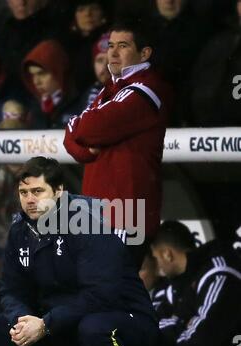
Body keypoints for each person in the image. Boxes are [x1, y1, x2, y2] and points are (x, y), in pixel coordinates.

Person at [0, 156, 160, 346]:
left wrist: (46, 324)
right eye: (23, 192)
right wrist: (23, 319)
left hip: (126, 322)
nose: (29, 199)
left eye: (37, 191)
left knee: (94, 326)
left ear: (59, 192)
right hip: (65, 326)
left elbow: (102, 295)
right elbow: (11, 288)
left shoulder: (88, 223)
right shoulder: (20, 230)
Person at [64, 20, 172, 269]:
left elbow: (86, 128)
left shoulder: (146, 91)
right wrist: (83, 146)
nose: (112, 52)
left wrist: (81, 135)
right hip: (100, 217)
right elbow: (71, 137)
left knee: (111, 299)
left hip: (125, 218)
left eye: (122, 46)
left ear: (144, 53)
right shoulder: (109, 90)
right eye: (110, 45)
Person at [151, 221, 241, 346]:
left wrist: (176, 336)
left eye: (156, 258)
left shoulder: (219, 272)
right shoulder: (192, 276)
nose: (157, 268)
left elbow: (201, 335)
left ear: (167, 254)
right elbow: (174, 321)